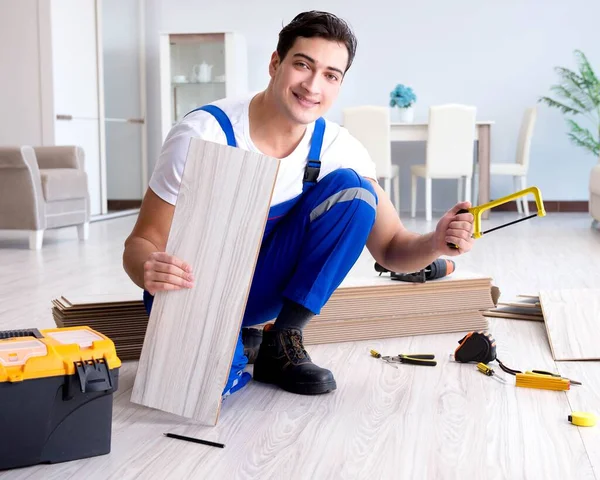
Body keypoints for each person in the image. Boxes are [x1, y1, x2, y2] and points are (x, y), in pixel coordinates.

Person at [122, 10, 475, 398]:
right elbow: (141, 242)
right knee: (208, 391)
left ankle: (280, 341)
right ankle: (236, 342)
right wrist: (148, 269)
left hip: (263, 290)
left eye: (330, 75)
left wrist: (435, 243)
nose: (312, 85)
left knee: (356, 192)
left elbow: (391, 249)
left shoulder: (340, 148)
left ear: (339, 84)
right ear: (275, 63)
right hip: (197, 291)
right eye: (302, 65)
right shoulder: (203, 134)